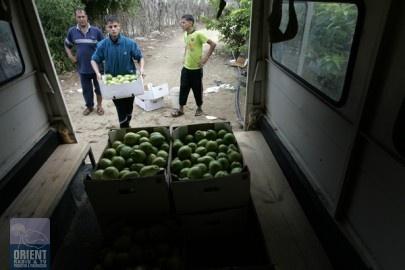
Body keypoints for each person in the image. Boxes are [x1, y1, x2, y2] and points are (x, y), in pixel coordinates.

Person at [91, 15, 144, 128]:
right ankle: (124, 128)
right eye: (110, 27)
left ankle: (126, 124)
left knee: (129, 107)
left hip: (130, 82)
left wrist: (141, 69)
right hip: (113, 84)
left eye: (115, 26)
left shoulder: (129, 43)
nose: (113, 29)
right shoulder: (103, 45)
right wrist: (97, 73)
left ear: (119, 27)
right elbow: (94, 60)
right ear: (106, 28)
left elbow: (140, 57)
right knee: (120, 107)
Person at [172, 14, 216, 117]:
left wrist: (205, 59)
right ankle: (181, 109)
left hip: (196, 69)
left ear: (190, 23)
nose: (181, 24)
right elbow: (187, 46)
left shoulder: (198, 34)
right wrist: (184, 57)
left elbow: (213, 44)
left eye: (183, 22)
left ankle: (199, 109)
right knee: (183, 88)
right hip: (186, 68)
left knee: (197, 89)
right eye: (181, 22)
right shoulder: (185, 34)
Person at [65, 8, 105, 116]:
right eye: (79, 17)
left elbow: (104, 46)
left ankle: (100, 106)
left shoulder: (96, 31)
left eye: (83, 16)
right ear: (76, 18)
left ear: (86, 17)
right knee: (86, 90)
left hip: (97, 68)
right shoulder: (72, 31)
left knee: (99, 88)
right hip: (82, 67)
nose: (81, 19)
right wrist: (71, 56)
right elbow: (67, 45)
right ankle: (89, 107)